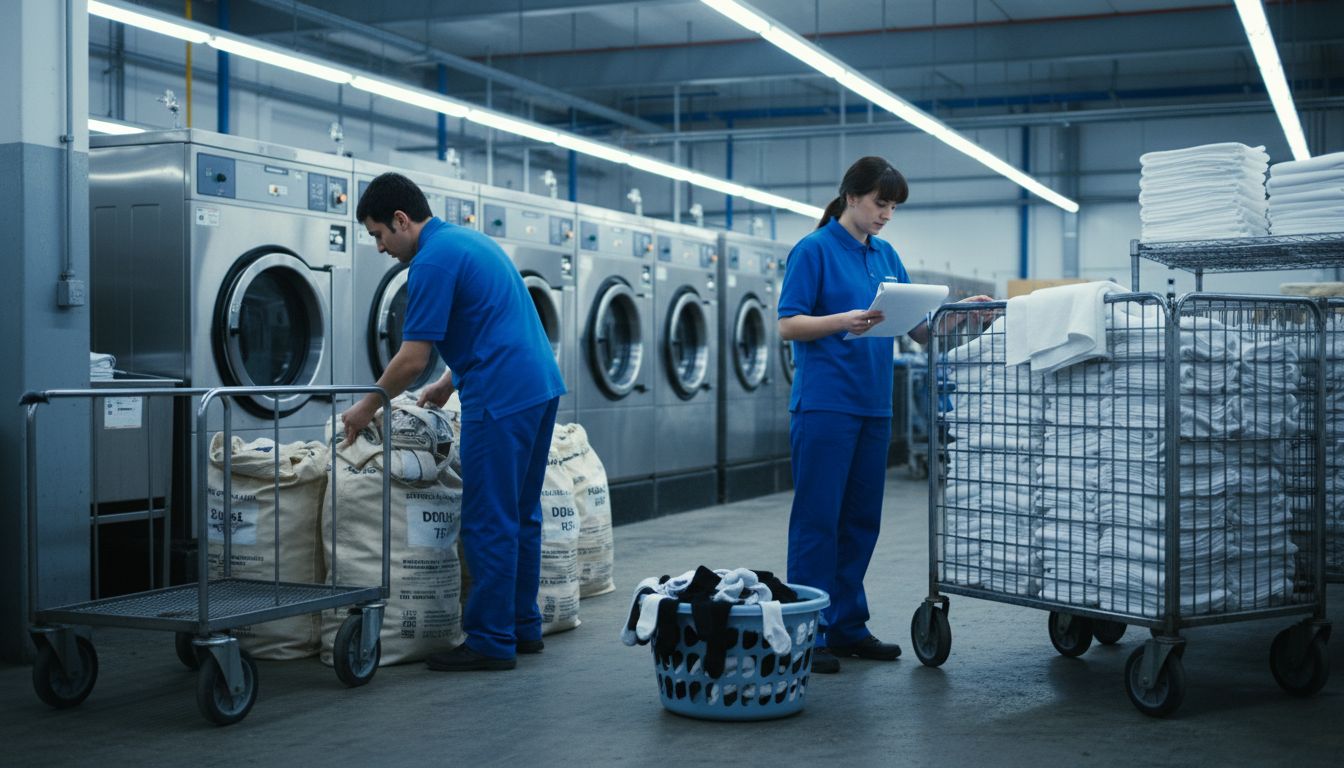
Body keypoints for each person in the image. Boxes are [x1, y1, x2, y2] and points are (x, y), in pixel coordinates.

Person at [341, 172, 565, 672]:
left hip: (501, 395)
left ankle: (489, 641)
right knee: (522, 513)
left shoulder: (430, 263)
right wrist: (448, 383)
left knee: (488, 519)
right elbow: (490, 320)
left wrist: (365, 407)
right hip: (539, 386)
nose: (379, 247)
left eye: (378, 234)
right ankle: (521, 627)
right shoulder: (468, 240)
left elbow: (411, 358)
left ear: (401, 220)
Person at [777, 156, 988, 674]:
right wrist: (840, 320)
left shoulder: (886, 254)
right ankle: (809, 632)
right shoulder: (814, 250)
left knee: (861, 520)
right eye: (880, 203)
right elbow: (788, 325)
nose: (887, 214)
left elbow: (917, 331)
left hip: (873, 403)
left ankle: (847, 625)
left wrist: (963, 314)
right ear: (851, 196)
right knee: (818, 519)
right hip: (826, 404)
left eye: (893, 206)